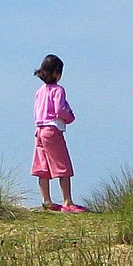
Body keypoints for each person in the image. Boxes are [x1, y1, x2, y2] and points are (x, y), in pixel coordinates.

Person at [32, 53, 88, 212]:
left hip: (39, 130)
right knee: (63, 165)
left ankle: (46, 201)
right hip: (52, 130)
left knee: (42, 167)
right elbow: (59, 109)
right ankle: (67, 201)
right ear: (57, 72)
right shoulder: (58, 90)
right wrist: (69, 117)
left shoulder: (40, 91)